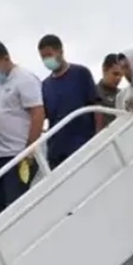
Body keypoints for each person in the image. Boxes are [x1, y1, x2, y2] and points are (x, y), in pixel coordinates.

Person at [0, 39, 44, 219]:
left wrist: (30, 149)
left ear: (6, 59)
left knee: (14, 205)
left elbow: (37, 113)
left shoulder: (24, 79)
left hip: (18, 153)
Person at [37, 34, 103, 169]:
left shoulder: (81, 73)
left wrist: (98, 137)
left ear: (60, 51)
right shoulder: (45, 86)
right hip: (56, 150)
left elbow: (96, 105)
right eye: (43, 57)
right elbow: (42, 115)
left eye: (49, 55)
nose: (46, 60)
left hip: (82, 144)